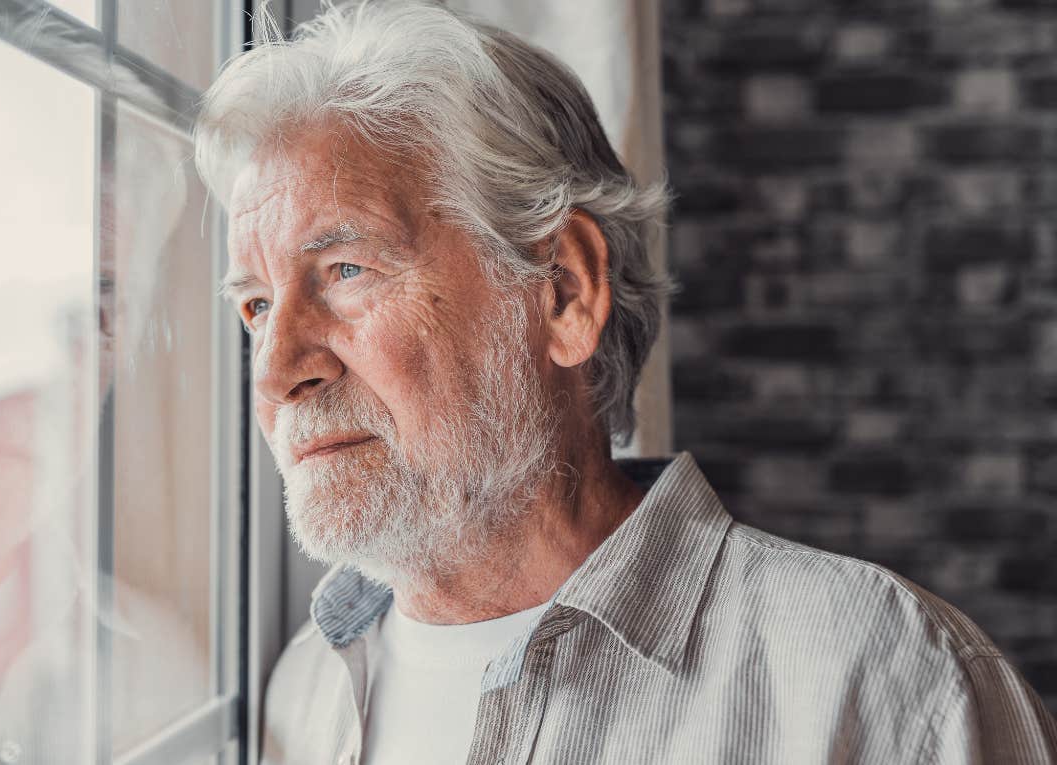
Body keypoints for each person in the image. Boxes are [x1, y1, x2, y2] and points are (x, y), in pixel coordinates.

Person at [193, 1, 1057, 763]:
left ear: (564, 291)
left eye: (345, 269)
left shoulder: (881, 680)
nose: (276, 371)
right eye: (257, 306)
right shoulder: (304, 688)